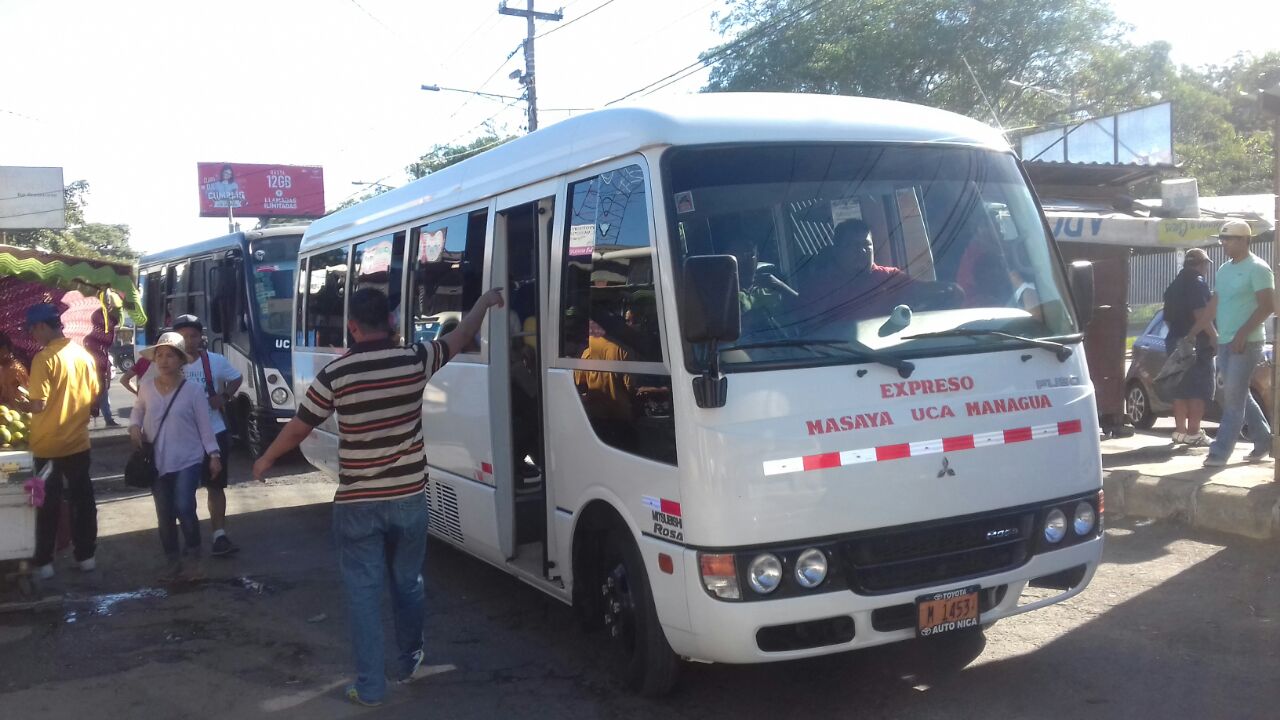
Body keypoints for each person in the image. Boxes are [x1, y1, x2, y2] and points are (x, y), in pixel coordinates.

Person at [252, 285, 504, 707]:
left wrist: (266, 460)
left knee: (363, 593)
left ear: (352, 326)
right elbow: (459, 338)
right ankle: (408, 662)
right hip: (409, 498)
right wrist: (483, 303)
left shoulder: (336, 373)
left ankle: (370, 687)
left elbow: (300, 426)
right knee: (408, 583)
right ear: (389, 323)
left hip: (358, 503)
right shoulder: (413, 359)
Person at [17, 304, 101, 580]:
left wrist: (19, 404)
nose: (32, 336)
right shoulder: (83, 355)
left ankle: (44, 562)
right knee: (82, 500)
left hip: (47, 446)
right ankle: (86, 556)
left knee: (44, 503)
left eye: (32, 330)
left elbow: (38, 405)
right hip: (78, 442)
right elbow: (93, 398)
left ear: (42, 326)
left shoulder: (44, 359)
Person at [130, 332, 222, 580]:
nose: (163, 360)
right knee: (164, 513)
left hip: (188, 460)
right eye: (159, 355)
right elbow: (138, 410)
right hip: (157, 461)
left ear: (181, 360)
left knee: (184, 506)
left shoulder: (193, 391)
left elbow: (205, 426)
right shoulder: (147, 388)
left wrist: (213, 455)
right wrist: (134, 427)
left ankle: (194, 556)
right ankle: (172, 560)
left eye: (170, 355)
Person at [1203, 220, 1274, 468]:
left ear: (1245, 240)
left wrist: (1243, 332)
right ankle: (1265, 440)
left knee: (1233, 400)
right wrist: (1204, 331)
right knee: (1237, 395)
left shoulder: (1258, 268)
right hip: (1225, 343)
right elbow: (1216, 302)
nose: (1224, 243)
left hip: (1247, 343)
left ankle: (1219, 452)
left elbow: (1268, 306)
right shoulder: (1223, 269)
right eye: (1222, 239)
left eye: (1229, 239)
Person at [171, 315, 243, 556]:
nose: (188, 341)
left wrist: (223, 397)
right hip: (182, 438)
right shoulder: (167, 363)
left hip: (214, 433)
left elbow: (236, 378)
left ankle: (219, 535)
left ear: (201, 338)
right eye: (182, 336)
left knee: (215, 487)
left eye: (192, 336)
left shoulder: (215, 361)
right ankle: (191, 538)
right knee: (184, 491)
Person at [1162, 248, 1216, 446]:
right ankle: (1194, 432)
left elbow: (1166, 319)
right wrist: (1214, 337)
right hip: (1196, 343)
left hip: (1174, 341)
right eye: (1206, 264)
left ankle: (1180, 431)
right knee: (1198, 388)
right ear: (1202, 264)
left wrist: (1179, 336)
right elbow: (1201, 314)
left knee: (1180, 387)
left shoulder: (1173, 285)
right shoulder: (1198, 283)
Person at [0, 332, 29, 406]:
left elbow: (26, 394)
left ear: (5, 349)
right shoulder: (3, 367)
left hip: (17, 412)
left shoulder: (16, 369)